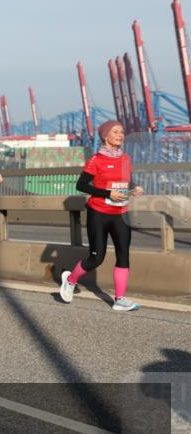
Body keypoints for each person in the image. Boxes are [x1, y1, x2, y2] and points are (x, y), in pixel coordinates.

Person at [59, 120, 144, 311]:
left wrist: (134, 188)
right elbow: (81, 185)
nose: (120, 135)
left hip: (121, 213)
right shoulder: (96, 160)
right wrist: (107, 194)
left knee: (123, 255)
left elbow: (125, 181)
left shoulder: (125, 159)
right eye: (116, 132)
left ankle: (120, 299)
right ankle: (71, 280)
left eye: (122, 132)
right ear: (105, 136)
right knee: (97, 258)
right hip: (99, 212)